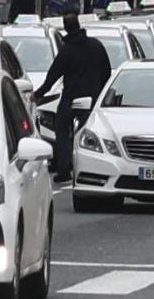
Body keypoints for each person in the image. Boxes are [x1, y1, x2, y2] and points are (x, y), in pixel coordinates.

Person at [36, 13, 113, 180]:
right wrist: (101, 93)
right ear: (79, 25)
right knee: (90, 132)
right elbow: (107, 71)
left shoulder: (66, 51)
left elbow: (52, 77)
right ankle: (90, 167)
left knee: (62, 130)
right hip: (92, 98)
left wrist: (37, 95)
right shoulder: (96, 46)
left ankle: (64, 170)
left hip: (70, 98)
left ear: (66, 28)